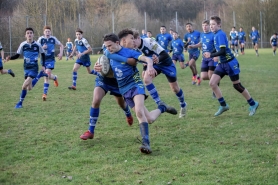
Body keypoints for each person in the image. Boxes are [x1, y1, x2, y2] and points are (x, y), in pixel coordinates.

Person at [103, 30, 176, 154]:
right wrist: (97, 68)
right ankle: (162, 107)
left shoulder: (130, 52)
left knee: (138, 111)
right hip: (124, 89)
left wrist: (150, 65)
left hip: (135, 84)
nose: (108, 48)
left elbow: (146, 58)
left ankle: (146, 143)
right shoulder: (107, 52)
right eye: (106, 46)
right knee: (149, 119)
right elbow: (107, 61)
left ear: (117, 42)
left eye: (110, 45)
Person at [203, 16, 259, 116]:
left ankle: (253, 104)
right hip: (222, 64)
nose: (211, 26)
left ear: (219, 25)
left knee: (237, 86)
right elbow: (217, 49)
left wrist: (211, 55)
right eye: (210, 24)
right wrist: (210, 52)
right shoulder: (215, 34)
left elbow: (223, 51)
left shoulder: (220, 34)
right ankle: (223, 105)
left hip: (230, 63)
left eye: (213, 24)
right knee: (212, 83)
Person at [133, 30, 187, 118]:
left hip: (166, 63)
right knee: (146, 79)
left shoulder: (149, 41)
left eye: (134, 42)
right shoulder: (134, 48)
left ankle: (183, 105)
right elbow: (144, 59)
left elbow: (164, 54)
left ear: (138, 38)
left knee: (175, 88)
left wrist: (158, 59)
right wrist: (145, 68)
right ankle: (160, 103)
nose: (133, 45)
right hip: (154, 65)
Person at [5, 27, 47, 109]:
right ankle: (39, 75)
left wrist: (43, 65)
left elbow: (43, 54)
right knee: (29, 88)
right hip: (26, 68)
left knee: (24, 86)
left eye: (31, 33)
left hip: (34, 68)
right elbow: (17, 55)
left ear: (33, 34)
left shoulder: (37, 45)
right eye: (28, 33)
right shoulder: (23, 44)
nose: (29, 34)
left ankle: (20, 103)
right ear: (25, 35)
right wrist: (10, 58)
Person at [188, 20, 218, 98]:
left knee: (210, 74)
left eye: (206, 25)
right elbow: (201, 44)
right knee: (203, 77)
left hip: (212, 57)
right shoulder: (202, 35)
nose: (204, 27)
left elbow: (217, 46)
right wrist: (193, 46)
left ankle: (214, 91)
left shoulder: (213, 34)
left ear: (209, 26)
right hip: (204, 58)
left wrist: (215, 56)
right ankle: (216, 79)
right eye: (203, 25)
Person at [37, 26, 63, 101]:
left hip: (51, 60)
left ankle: (44, 94)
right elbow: (35, 48)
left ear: (50, 32)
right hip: (43, 60)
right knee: (47, 75)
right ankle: (55, 78)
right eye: (46, 31)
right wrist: (42, 47)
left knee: (46, 74)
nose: (47, 33)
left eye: (49, 31)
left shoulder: (53, 39)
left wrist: (61, 54)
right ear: (43, 32)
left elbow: (61, 45)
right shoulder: (41, 39)